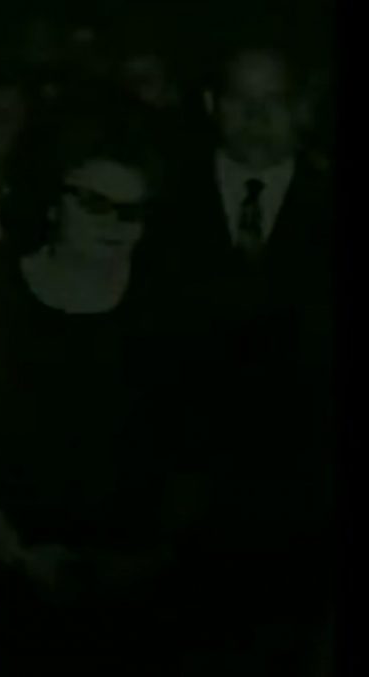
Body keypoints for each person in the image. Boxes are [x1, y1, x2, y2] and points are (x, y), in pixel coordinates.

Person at [0, 86, 187, 677]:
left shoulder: (165, 304)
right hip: (8, 579)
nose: (115, 226)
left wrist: (135, 564)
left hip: (135, 591)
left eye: (132, 212)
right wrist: (14, 553)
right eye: (96, 204)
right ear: (53, 200)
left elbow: (188, 448)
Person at [153, 43, 334, 677]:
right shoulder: (161, 198)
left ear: (303, 108)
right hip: (178, 513)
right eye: (240, 101)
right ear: (212, 105)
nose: (257, 119)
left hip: (307, 514)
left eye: (274, 102)